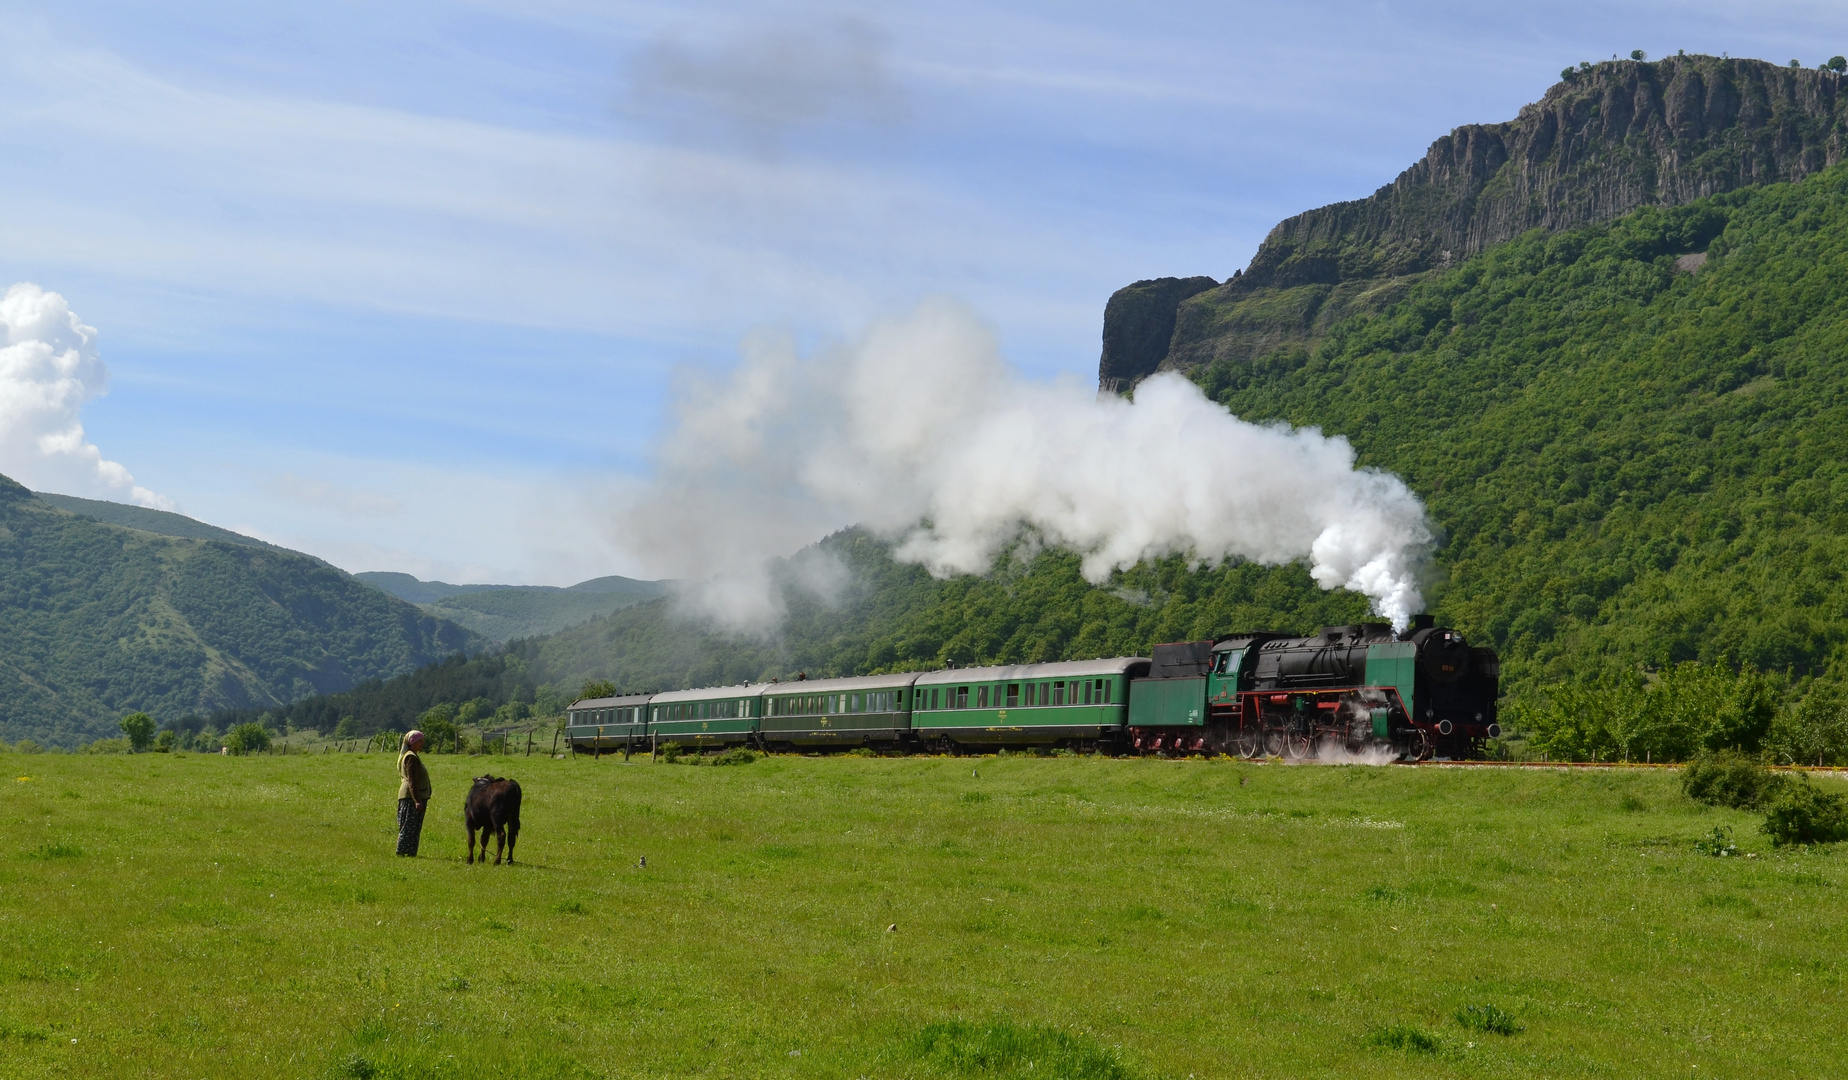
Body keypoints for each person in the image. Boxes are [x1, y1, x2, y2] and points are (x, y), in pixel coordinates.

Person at [396, 729, 432, 857]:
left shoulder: (410, 755)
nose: (422, 743)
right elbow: (412, 781)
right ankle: (402, 852)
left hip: (409, 796)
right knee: (409, 827)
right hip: (410, 797)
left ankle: (409, 852)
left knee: (412, 827)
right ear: (413, 742)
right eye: (420, 741)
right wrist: (417, 800)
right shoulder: (411, 757)